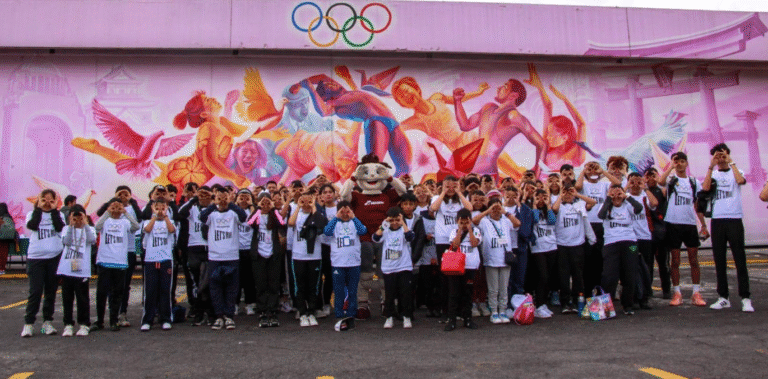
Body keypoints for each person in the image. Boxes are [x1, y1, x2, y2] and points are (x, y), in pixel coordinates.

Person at [453, 79, 547, 179]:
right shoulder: (488, 107)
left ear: (513, 95)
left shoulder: (514, 116)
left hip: (487, 173)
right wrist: (457, 101)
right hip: (470, 170)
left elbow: (542, 144)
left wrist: (537, 176)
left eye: (505, 86)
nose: (499, 88)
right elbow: (465, 125)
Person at [706, 143, 753, 312]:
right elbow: (705, 188)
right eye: (717, 155)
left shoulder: (737, 171)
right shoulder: (713, 174)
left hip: (734, 218)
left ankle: (745, 297)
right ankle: (723, 297)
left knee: (740, 258)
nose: (721, 157)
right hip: (717, 219)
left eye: (723, 154)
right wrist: (711, 166)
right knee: (719, 260)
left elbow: (740, 181)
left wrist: (730, 162)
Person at [659, 152, 709, 307]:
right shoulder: (670, 180)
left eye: (682, 161)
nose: (679, 164)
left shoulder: (693, 181)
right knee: (675, 261)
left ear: (687, 163)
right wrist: (670, 167)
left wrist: (703, 225)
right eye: (676, 161)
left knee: (694, 259)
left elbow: (698, 204)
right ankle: (677, 293)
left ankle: (696, 293)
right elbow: (660, 181)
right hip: (673, 223)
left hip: (689, 224)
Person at [200, 186, 247, 330]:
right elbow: (202, 218)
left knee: (231, 288)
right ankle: (219, 316)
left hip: (232, 256)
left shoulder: (233, 213)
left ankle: (229, 316)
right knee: (215, 288)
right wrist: (215, 203)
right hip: (215, 257)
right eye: (219, 197)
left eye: (224, 197)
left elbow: (244, 217)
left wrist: (231, 202)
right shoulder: (211, 214)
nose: (222, 200)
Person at [96, 185, 143, 328]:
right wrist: (108, 210)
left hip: (122, 259)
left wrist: (126, 210)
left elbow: (136, 225)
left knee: (119, 290)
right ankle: (99, 320)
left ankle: (115, 318)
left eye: (125, 194)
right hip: (105, 260)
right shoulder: (106, 220)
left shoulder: (125, 221)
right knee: (103, 291)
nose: (117, 207)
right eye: (119, 195)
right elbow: (97, 226)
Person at [21, 189, 65, 338]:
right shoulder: (32, 214)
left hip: (54, 257)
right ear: (38, 201)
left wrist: (53, 211)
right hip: (36, 258)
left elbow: (60, 227)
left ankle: (47, 322)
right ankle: (29, 323)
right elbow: (32, 226)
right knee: (35, 291)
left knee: (51, 292)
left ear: (56, 202)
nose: (47, 203)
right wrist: (39, 209)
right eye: (44, 200)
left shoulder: (59, 215)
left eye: (51, 200)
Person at [575, 161, 622, 298]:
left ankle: (604, 291)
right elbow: (577, 187)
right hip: (588, 225)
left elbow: (617, 184)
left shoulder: (605, 184)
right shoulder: (584, 184)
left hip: (603, 225)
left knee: (603, 260)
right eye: (591, 168)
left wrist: (602, 171)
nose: (593, 171)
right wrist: (584, 171)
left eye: (594, 168)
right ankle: (588, 291)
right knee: (588, 260)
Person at [430, 176, 472, 323]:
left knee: (459, 274)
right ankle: (446, 311)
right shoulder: (437, 197)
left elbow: (470, 209)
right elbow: (433, 208)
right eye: (447, 185)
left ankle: (459, 310)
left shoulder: (461, 199)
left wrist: (459, 192)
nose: (450, 188)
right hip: (442, 241)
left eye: (453, 185)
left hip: (458, 239)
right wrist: (443, 192)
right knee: (445, 276)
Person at [597, 184, 643, 315]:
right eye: (613, 193)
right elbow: (601, 215)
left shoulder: (628, 205)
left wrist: (627, 196)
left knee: (630, 274)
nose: (617, 196)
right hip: (611, 243)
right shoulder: (606, 206)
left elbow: (639, 208)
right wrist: (608, 199)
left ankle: (628, 305)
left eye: (619, 194)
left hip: (631, 243)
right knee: (609, 276)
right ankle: (605, 307)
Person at [473, 197, 520, 324]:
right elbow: (474, 220)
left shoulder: (505, 220)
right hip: (491, 259)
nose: (496, 210)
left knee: (504, 287)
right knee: (493, 288)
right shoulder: (484, 221)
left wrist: (505, 212)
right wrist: (488, 210)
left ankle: (503, 310)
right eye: (494, 207)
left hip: (505, 259)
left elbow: (517, 224)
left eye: (498, 207)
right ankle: (494, 311)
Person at [552, 182, 596, 314]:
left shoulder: (579, 204)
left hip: (578, 245)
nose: (568, 194)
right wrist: (561, 195)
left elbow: (592, 202)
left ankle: (578, 301)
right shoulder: (559, 205)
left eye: (569, 192)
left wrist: (576, 194)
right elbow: (554, 209)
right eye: (565, 192)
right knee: (564, 276)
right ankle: (565, 302)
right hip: (562, 245)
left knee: (578, 275)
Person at [287, 187, 328, 327]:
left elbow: (322, 224)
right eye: (303, 201)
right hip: (298, 256)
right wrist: (298, 206)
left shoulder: (317, 214)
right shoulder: (296, 214)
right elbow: (291, 223)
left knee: (313, 286)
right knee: (300, 286)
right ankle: (302, 313)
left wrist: (313, 206)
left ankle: (312, 311)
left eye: (309, 201)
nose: (306, 203)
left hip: (314, 256)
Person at [323, 201, 367, 329]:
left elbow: (363, 231)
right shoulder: (334, 223)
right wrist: (336, 217)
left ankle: (351, 312)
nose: (345, 214)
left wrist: (353, 216)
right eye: (342, 211)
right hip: (338, 263)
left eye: (347, 211)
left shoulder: (354, 222)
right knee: (339, 290)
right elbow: (326, 232)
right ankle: (339, 313)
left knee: (353, 290)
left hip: (354, 263)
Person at [177, 185, 216, 325]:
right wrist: (194, 199)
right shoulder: (192, 208)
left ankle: (211, 313)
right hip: (194, 248)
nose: (204, 198)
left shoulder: (214, 208)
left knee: (209, 282)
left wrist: (211, 199)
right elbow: (179, 213)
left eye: (206, 196)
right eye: (201, 196)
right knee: (197, 282)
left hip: (211, 248)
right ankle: (198, 311)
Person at [248, 192, 287, 327]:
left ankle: (272, 310)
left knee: (273, 284)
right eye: (262, 202)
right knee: (261, 284)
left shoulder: (273, 215)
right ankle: (263, 311)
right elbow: (249, 223)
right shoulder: (257, 215)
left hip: (273, 254)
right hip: (259, 254)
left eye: (267, 202)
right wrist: (259, 209)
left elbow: (282, 223)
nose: (265, 205)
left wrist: (273, 209)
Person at [373, 207, 416, 329]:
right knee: (389, 294)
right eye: (392, 220)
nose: (394, 223)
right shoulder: (385, 230)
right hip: (389, 267)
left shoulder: (405, 229)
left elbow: (410, 237)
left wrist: (403, 222)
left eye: (397, 220)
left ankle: (406, 317)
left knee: (405, 293)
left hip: (404, 266)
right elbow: (376, 238)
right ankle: (389, 317)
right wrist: (384, 224)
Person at [58, 205, 96, 337]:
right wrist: (71, 225)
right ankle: (68, 324)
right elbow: (67, 242)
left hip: (82, 270)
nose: (77, 218)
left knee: (82, 298)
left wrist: (84, 224)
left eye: (80, 215)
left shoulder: (89, 229)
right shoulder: (65, 229)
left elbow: (92, 240)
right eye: (74, 216)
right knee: (67, 298)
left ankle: (84, 324)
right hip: (67, 268)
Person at [140, 199, 177, 331]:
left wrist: (166, 216)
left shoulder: (170, 222)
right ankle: (147, 320)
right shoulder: (147, 222)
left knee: (165, 290)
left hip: (166, 259)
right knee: (150, 291)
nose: (160, 210)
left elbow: (172, 230)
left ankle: (166, 318)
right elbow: (147, 230)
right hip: (151, 260)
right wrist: (155, 215)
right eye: (157, 207)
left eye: (163, 207)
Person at [444, 208, 482, 331]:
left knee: (468, 293)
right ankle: (452, 320)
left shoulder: (476, 231)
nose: (465, 224)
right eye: (462, 222)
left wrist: (470, 229)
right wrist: (459, 230)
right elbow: (455, 245)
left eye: (467, 222)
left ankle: (468, 319)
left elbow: (474, 243)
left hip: (470, 266)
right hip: (456, 266)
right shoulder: (453, 231)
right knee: (454, 293)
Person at [626, 173, 658, 309]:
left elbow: (655, 203)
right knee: (631, 267)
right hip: (631, 240)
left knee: (646, 267)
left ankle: (645, 296)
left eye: (637, 182)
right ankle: (632, 296)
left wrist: (644, 187)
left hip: (645, 238)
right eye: (632, 182)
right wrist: (628, 186)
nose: (635, 185)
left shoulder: (645, 197)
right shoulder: (625, 197)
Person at [529, 189, 558, 318]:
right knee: (542, 277)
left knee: (549, 277)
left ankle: (543, 304)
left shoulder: (549, 211)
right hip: (538, 249)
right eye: (537, 196)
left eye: (543, 196)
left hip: (551, 247)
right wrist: (535, 205)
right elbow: (534, 220)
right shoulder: (531, 211)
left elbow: (552, 221)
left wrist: (548, 205)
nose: (541, 199)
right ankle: (539, 305)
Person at [644, 167, 671, 299]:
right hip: (647, 233)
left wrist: (659, 178)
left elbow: (664, 185)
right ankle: (647, 290)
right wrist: (644, 185)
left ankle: (666, 289)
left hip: (661, 233)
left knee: (663, 264)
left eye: (653, 176)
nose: (651, 179)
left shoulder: (663, 190)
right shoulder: (642, 192)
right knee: (647, 264)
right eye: (648, 176)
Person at [234, 189, 256, 316]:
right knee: (236, 279)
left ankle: (250, 304)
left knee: (250, 279)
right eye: (241, 197)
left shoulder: (253, 210)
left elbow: (255, 222)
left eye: (246, 197)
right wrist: (236, 204)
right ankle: (235, 304)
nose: (244, 200)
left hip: (250, 249)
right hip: (236, 249)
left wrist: (251, 204)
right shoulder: (233, 210)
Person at [0, 203, 17, 275]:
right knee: (3, 254)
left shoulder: (1, 218)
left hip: (1, 238)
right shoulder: (9, 217)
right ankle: (2, 269)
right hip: (6, 239)